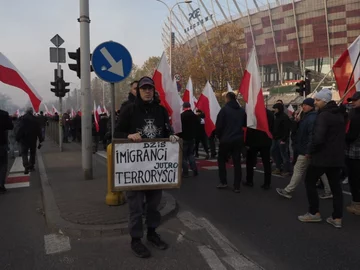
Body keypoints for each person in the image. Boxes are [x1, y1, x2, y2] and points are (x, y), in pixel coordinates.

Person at [114, 76, 178, 258]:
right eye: (144, 89)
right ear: (138, 91)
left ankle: (152, 233)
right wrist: (128, 135)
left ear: (154, 90)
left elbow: (167, 131)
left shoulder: (161, 111)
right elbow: (115, 133)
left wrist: (172, 138)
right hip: (134, 169)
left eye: (150, 88)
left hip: (155, 170)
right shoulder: (129, 110)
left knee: (153, 206)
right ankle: (135, 240)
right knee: (135, 207)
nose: (147, 91)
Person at [298, 88, 345, 228]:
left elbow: (318, 138)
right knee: (336, 187)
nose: (315, 102)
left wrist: (310, 151)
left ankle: (314, 212)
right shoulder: (340, 115)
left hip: (322, 156)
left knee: (309, 181)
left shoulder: (323, 116)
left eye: (317, 100)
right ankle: (337, 217)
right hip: (336, 157)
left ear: (324, 101)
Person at [276, 98, 317, 198]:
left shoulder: (311, 118)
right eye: (303, 105)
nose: (303, 107)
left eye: (306, 105)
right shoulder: (307, 117)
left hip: (305, 149)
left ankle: (288, 191)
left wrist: (307, 150)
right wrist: (297, 122)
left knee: (298, 169)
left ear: (311, 106)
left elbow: (311, 135)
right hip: (305, 148)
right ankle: (329, 190)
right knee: (319, 170)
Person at [215, 92, 247, 193]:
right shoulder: (242, 111)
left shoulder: (224, 110)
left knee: (221, 160)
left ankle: (223, 181)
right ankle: (237, 185)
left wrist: (220, 137)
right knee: (237, 162)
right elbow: (245, 124)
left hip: (226, 139)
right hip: (238, 139)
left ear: (227, 99)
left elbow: (219, 126)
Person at [244, 108, 274, 190]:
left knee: (250, 162)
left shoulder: (253, 114)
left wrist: (246, 142)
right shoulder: (270, 113)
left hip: (254, 141)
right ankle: (267, 183)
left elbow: (249, 129)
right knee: (266, 162)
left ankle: (249, 181)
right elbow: (272, 127)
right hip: (266, 141)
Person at [345, 92, 360, 215]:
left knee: (355, 179)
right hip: (354, 151)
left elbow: (351, 135)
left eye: (356, 100)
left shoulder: (356, 116)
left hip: (355, 152)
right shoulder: (353, 113)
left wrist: (343, 138)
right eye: (352, 100)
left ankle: (357, 204)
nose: (353, 102)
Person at [16, 107, 42, 174]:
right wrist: (41, 139)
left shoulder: (22, 119)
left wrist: (17, 138)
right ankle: (31, 166)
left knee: (24, 153)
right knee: (32, 153)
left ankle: (26, 165)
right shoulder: (35, 119)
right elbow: (38, 130)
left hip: (24, 139)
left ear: (26, 111)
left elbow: (19, 129)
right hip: (33, 139)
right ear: (32, 112)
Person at [179, 102, 198, 178]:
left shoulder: (182, 116)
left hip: (183, 138)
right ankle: (194, 169)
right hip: (192, 138)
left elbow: (179, 128)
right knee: (191, 154)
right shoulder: (194, 116)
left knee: (183, 156)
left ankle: (185, 172)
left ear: (184, 107)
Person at [271, 102, 292, 176]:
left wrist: (284, 139)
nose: (275, 110)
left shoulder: (284, 117)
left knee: (284, 155)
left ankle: (287, 170)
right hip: (275, 138)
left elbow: (286, 129)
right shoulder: (276, 116)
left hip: (281, 139)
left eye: (276, 109)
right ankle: (278, 168)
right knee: (274, 153)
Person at [0, 109, 14, 194]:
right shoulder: (4, 114)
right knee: (3, 164)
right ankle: (1, 184)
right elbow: (10, 126)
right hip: (1, 143)